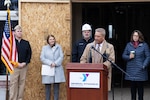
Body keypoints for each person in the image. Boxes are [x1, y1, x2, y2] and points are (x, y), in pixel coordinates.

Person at [122, 30, 150, 100]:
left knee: (140, 90)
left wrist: (144, 65)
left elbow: (148, 56)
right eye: (134, 35)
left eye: (137, 36)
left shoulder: (144, 45)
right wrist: (129, 57)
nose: (135, 37)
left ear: (139, 37)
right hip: (131, 70)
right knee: (132, 90)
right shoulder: (129, 45)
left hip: (140, 70)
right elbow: (123, 55)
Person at [9, 25, 32, 100]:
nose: (19, 33)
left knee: (22, 84)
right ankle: (13, 98)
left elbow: (29, 54)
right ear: (14, 33)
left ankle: (20, 98)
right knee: (13, 84)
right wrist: (16, 63)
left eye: (20, 31)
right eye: (18, 31)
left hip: (23, 67)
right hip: (14, 67)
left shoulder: (26, 43)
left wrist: (25, 63)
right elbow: (8, 55)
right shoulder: (11, 43)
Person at [40, 35, 65, 100]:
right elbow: (42, 58)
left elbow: (61, 56)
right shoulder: (44, 48)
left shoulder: (58, 47)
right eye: (50, 39)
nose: (52, 40)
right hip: (48, 69)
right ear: (48, 41)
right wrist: (50, 63)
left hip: (57, 69)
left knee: (56, 88)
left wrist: (55, 63)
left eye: (53, 39)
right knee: (47, 88)